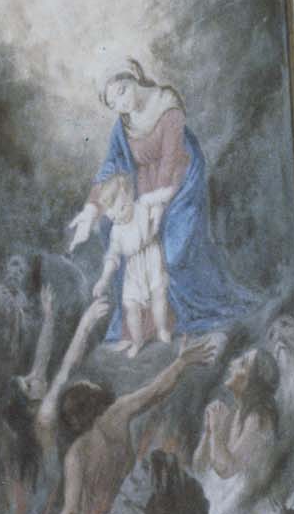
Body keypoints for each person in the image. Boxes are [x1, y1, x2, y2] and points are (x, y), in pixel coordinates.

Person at [67, 58, 256, 336]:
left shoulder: (167, 106)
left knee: (174, 253)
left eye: (121, 92)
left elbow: (171, 159)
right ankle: (150, 323)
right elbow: (112, 165)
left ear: (133, 79)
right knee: (113, 228)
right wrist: (91, 210)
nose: (119, 104)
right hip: (146, 187)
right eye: (112, 103)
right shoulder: (124, 125)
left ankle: (196, 309)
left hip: (180, 183)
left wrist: (160, 204)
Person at [25, 336, 216, 514]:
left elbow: (72, 511)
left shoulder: (77, 453)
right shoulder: (118, 414)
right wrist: (181, 363)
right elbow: (156, 391)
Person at [192, 346, 280, 514]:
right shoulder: (236, 413)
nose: (232, 364)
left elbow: (226, 469)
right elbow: (199, 467)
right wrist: (208, 432)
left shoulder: (258, 419)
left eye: (242, 364)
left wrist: (216, 432)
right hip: (215, 499)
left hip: (236, 511)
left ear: (253, 383)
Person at [90, 174, 175, 356]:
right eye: (112, 214)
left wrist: (160, 205)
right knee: (131, 306)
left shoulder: (143, 204)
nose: (118, 216)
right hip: (133, 269)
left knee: (158, 295)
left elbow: (164, 194)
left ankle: (161, 329)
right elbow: (112, 257)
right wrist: (103, 280)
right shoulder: (117, 231)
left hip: (152, 259)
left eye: (122, 208)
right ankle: (137, 341)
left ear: (129, 196)